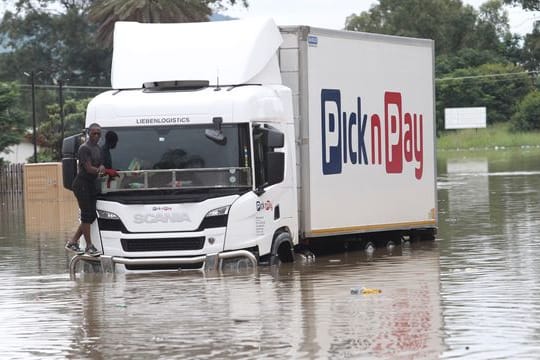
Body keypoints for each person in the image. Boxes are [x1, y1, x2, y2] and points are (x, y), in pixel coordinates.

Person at [65, 123, 105, 257]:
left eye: (99, 133)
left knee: (92, 215)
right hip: (81, 184)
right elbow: (88, 168)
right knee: (86, 215)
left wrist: (103, 168)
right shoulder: (84, 148)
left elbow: (99, 165)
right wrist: (99, 171)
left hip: (91, 185)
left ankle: (73, 242)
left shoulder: (98, 148)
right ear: (88, 133)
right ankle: (89, 246)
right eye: (94, 133)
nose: (96, 136)